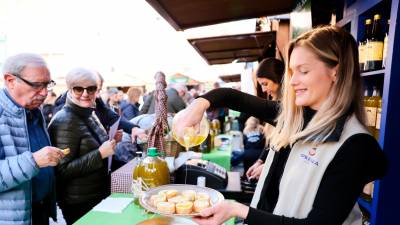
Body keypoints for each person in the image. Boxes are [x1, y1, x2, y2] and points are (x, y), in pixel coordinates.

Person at [174, 26, 387, 225]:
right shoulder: (293, 117)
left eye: (303, 71)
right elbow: (231, 97)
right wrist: (198, 106)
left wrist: (237, 210)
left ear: (336, 72)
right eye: (292, 72)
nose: (293, 82)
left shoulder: (355, 145)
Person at [47, 68, 123, 225]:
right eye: (78, 89)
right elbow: (61, 170)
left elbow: (90, 145)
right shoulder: (65, 120)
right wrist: (100, 154)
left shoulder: (88, 111)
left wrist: (111, 140)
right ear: (69, 89)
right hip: (78, 201)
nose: (85, 93)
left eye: (91, 88)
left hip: (95, 194)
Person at [0, 53, 65, 225]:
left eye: (47, 84)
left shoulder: (34, 111)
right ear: (10, 80)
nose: (44, 92)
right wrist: (34, 160)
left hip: (39, 211)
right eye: (36, 85)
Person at [245, 57, 285, 180]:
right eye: (261, 85)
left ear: (278, 79)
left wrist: (268, 165)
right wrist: (260, 161)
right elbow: (271, 143)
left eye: (265, 84)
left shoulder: (288, 107)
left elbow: (287, 148)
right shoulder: (276, 103)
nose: (263, 90)